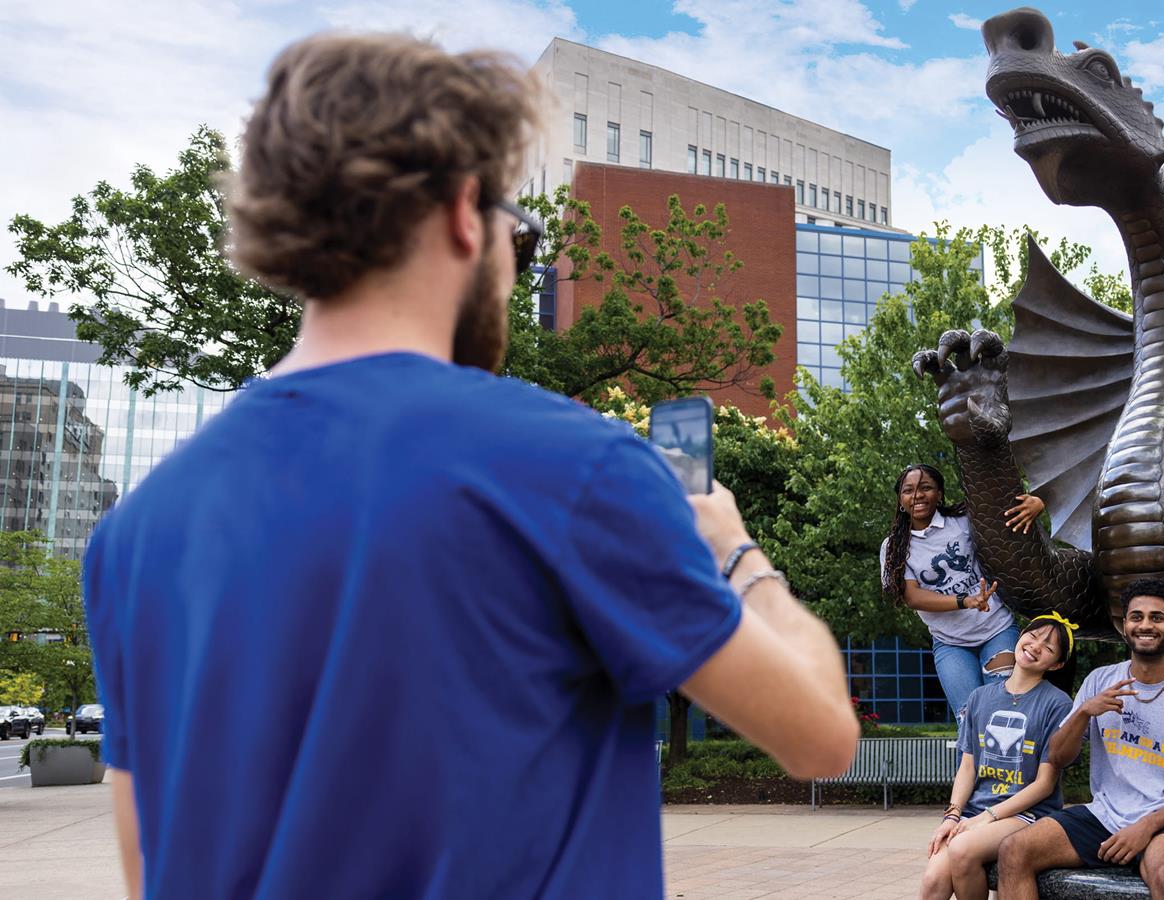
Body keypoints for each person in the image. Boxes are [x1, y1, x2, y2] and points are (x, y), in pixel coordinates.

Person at [80, 34, 857, 899]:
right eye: (519, 237)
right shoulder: (576, 466)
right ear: (461, 209)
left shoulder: (132, 535)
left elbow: (148, 866)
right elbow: (822, 736)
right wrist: (737, 554)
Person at [997, 580, 1164, 900]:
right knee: (1014, 850)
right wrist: (1084, 712)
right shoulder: (1100, 680)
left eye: (1157, 617)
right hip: (1104, 815)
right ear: (1124, 626)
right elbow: (1057, 757)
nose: (1145, 625)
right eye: (1136, 617)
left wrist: (1146, 827)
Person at [922, 614, 1077, 900]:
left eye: (1049, 646)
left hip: (1028, 815)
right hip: (975, 813)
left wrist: (987, 818)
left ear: (1056, 664)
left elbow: (1044, 784)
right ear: (1019, 638)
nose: (1036, 645)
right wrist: (952, 815)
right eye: (1033, 635)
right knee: (933, 879)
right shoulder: (980, 697)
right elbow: (968, 766)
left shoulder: (1057, 704)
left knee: (962, 849)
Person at [880, 464, 1044, 717]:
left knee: (1004, 711)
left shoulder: (962, 521)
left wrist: (1037, 504)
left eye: (926, 488)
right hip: (950, 643)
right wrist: (965, 601)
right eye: (908, 490)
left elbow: (1007, 511)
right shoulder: (893, 548)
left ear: (940, 494)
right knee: (968, 717)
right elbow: (912, 597)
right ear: (900, 500)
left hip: (996, 629)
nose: (917, 496)